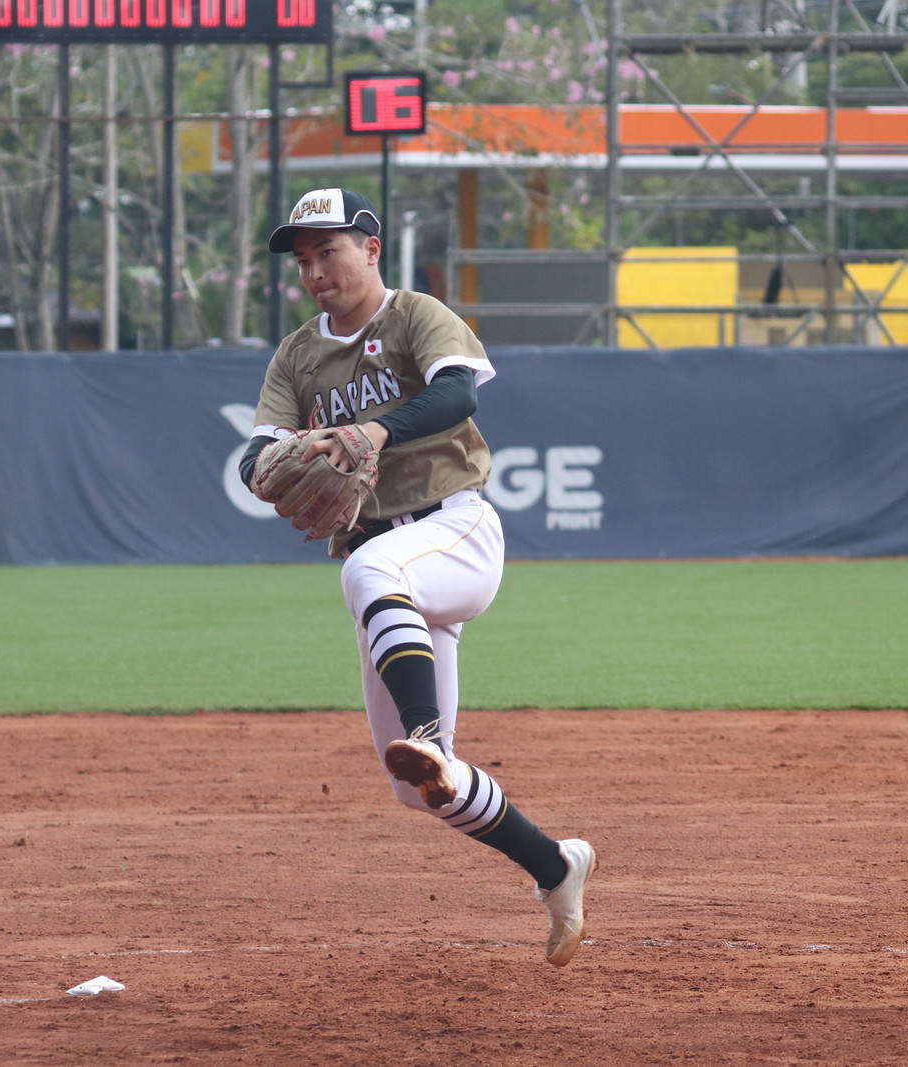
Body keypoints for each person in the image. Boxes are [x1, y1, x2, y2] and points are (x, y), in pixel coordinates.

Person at [239, 187, 598, 967]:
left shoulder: (414, 315)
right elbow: (254, 451)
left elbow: (457, 392)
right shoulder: (299, 353)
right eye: (303, 258)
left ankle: (426, 732)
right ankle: (556, 867)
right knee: (420, 787)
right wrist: (274, 467)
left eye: (328, 250)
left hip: (455, 528)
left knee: (367, 574)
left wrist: (371, 427)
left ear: (371, 248)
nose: (314, 270)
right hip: (390, 573)